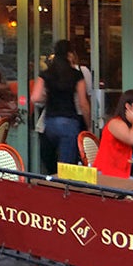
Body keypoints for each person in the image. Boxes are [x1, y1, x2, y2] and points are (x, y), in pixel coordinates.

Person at [30, 40, 90, 174]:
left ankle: (52, 186)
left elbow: (35, 97)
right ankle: (64, 191)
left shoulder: (46, 73)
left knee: (51, 162)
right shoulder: (76, 74)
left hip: (50, 121)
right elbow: (83, 102)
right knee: (67, 168)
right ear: (69, 54)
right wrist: (89, 125)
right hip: (69, 121)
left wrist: (48, 97)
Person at [93, 90, 133, 179]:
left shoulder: (131, 125)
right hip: (108, 175)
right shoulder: (115, 123)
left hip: (124, 173)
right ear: (128, 107)